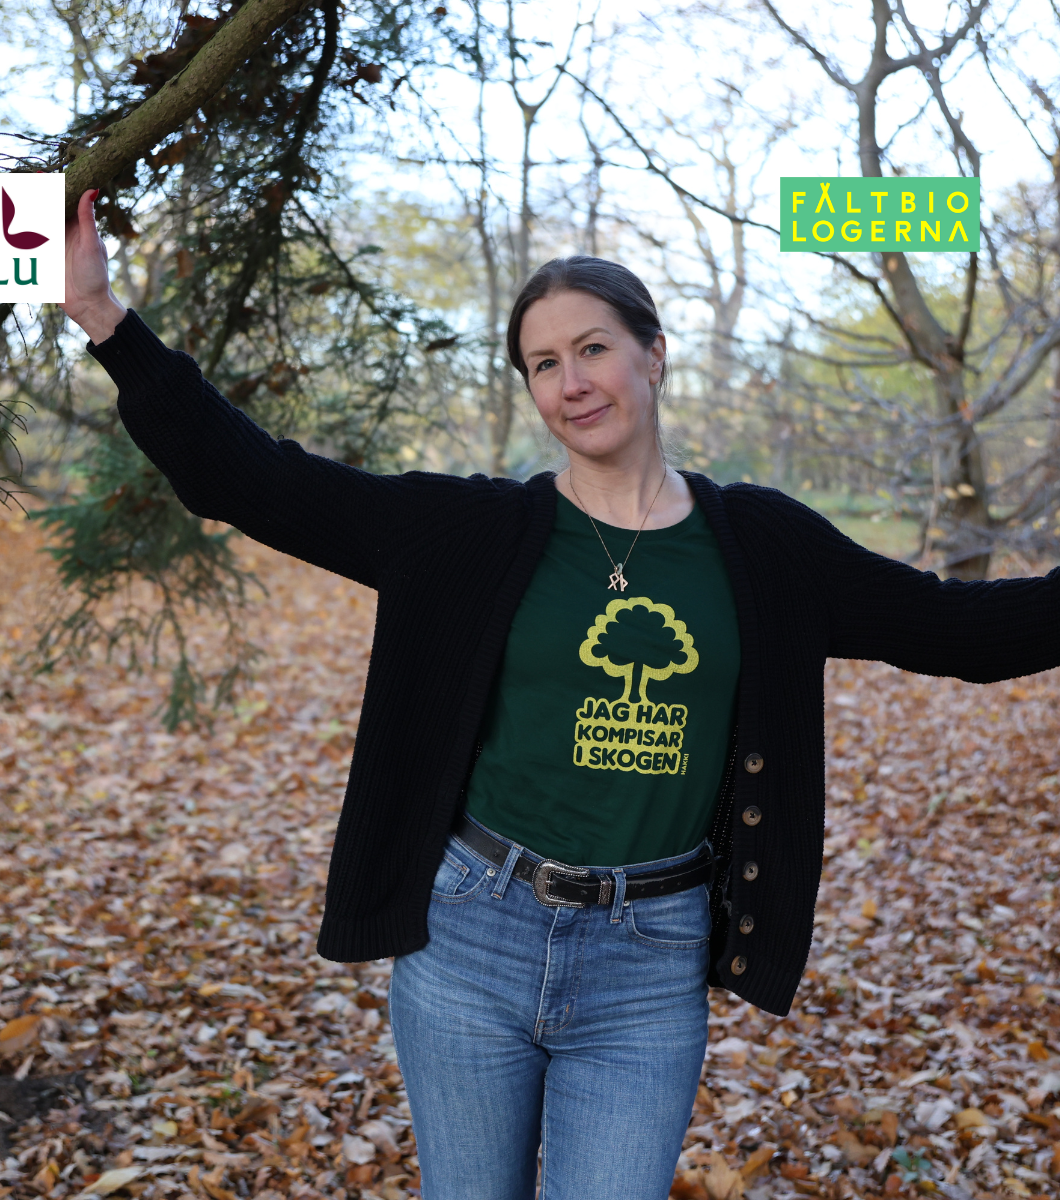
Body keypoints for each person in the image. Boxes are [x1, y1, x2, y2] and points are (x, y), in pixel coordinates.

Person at [62, 187, 1060, 1198]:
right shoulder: (467, 533)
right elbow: (252, 481)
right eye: (544, 363)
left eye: (592, 349)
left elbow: (959, 629)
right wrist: (106, 318)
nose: (571, 383)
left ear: (653, 354)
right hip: (472, 945)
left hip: (648, 964)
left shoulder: (763, 546)